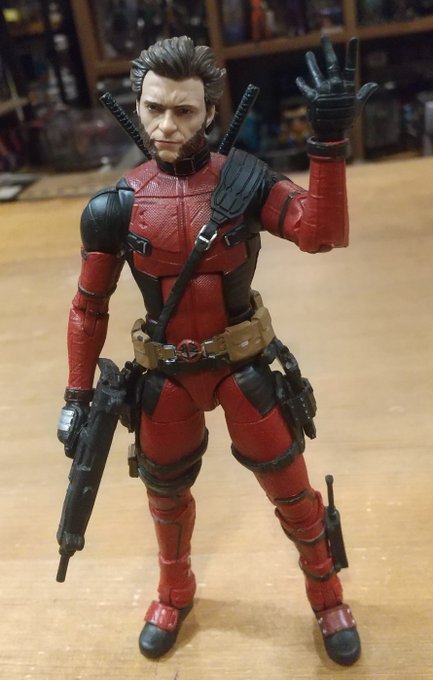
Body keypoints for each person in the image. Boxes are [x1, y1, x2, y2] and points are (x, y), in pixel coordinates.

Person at [57, 35, 376, 665]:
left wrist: (327, 144)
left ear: (209, 111)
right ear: (136, 106)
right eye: (154, 108)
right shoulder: (115, 207)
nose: (166, 125)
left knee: (292, 488)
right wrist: (75, 394)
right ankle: (174, 591)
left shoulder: (246, 183)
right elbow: (88, 307)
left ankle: (327, 593)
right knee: (164, 496)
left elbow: (321, 234)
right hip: (166, 377)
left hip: (241, 368)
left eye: (184, 111)